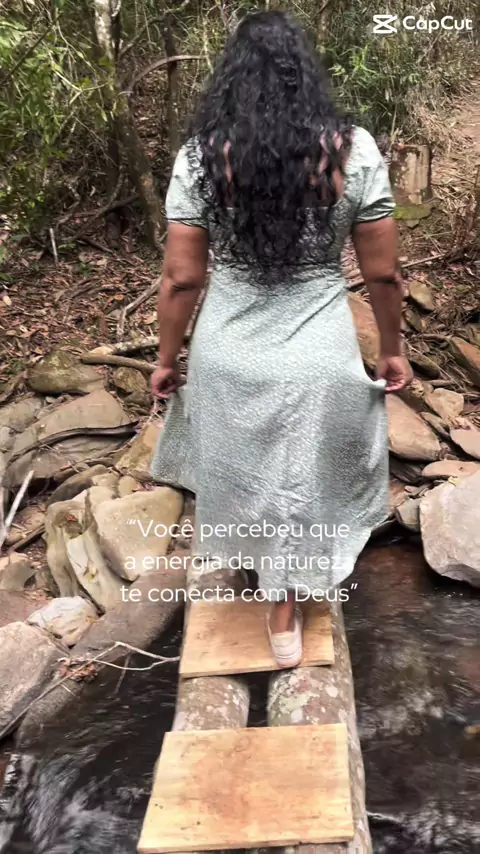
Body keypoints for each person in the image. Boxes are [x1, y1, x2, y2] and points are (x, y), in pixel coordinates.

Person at [150, 10, 412, 668]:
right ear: (305, 73)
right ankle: (286, 607)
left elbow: (182, 279)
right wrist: (392, 348)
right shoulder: (354, 151)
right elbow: (383, 272)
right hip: (315, 347)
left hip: (229, 346)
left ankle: (259, 571)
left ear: (232, 77)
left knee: (240, 460)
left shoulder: (202, 157)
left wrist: (166, 358)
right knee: (297, 475)